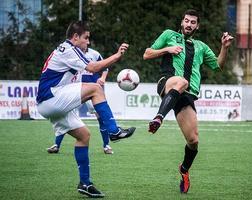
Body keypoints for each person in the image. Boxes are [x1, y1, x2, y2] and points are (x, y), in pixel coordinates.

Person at [36, 21, 136, 198]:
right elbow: (94, 67)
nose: (88, 42)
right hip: (51, 97)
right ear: (75, 37)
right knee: (96, 89)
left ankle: (85, 183)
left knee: (84, 136)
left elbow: (91, 67)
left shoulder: (67, 50)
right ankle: (114, 131)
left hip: (49, 102)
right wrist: (117, 55)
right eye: (86, 38)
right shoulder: (68, 49)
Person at [143, 9, 233, 193]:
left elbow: (218, 66)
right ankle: (159, 117)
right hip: (168, 82)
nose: (188, 24)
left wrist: (224, 47)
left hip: (187, 95)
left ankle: (184, 170)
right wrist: (167, 49)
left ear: (197, 26)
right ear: (182, 22)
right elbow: (147, 54)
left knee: (193, 140)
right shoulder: (169, 35)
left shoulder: (201, 46)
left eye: (192, 22)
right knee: (181, 81)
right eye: (186, 21)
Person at [47, 47, 114, 155]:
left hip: (91, 91)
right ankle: (56, 145)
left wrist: (103, 78)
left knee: (100, 118)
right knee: (65, 114)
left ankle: (106, 145)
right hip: (75, 90)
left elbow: (105, 68)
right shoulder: (71, 54)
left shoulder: (95, 54)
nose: (85, 42)